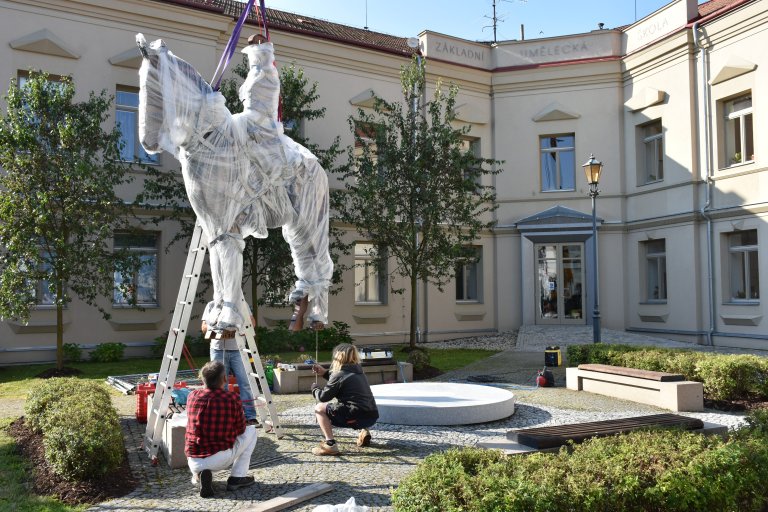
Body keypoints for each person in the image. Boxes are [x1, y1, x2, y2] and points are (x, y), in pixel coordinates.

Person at [185, 360, 257, 498]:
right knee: (252, 430)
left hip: (193, 459)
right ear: (225, 379)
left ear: (202, 379)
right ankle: (237, 477)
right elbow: (241, 429)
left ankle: (198, 476)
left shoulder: (191, 396)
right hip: (219, 458)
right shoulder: (232, 398)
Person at [310, 343, 379, 456]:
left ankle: (330, 444)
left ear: (338, 357)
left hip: (355, 417)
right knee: (358, 402)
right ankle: (364, 431)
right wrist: (325, 373)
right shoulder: (359, 371)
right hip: (371, 417)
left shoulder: (339, 375)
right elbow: (342, 380)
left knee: (319, 408)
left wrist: (315, 389)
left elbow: (323, 397)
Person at [202, 317, 258, 425]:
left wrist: (240, 327)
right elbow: (204, 328)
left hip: (239, 349)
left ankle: (250, 416)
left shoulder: (240, 302)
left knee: (245, 383)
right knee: (219, 385)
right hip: (217, 349)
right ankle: (225, 417)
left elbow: (252, 323)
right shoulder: (211, 305)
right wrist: (215, 328)